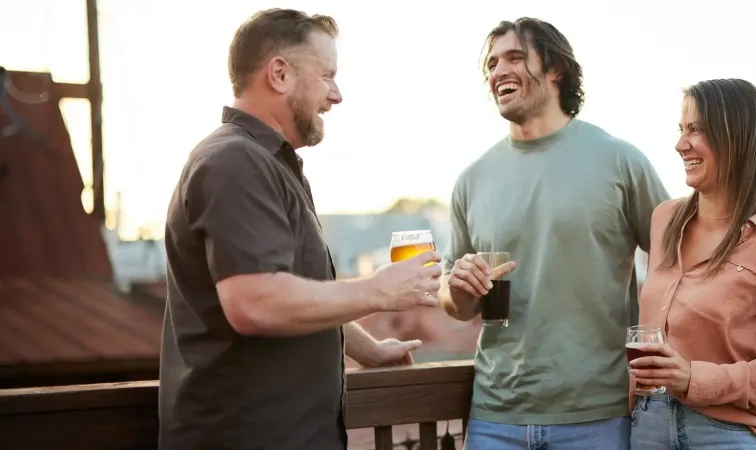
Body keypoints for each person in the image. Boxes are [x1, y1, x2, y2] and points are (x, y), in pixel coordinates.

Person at [158, 9, 442, 450]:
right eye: (327, 75)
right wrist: (377, 291)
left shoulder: (266, 163)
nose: (337, 95)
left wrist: (366, 348)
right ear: (279, 74)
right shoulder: (233, 162)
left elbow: (295, 292)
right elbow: (255, 304)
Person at [440, 17, 670, 449]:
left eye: (514, 58)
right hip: (494, 417)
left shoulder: (619, 161)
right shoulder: (472, 179)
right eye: (491, 64)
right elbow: (455, 305)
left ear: (555, 69)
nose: (497, 72)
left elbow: (678, 262)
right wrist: (457, 286)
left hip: (599, 416)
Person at [627, 78, 756, 450]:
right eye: (681, 130)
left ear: (736, 139)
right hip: (648, 425)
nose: (680, 144)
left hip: (727, 435)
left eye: (696, 130)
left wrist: (694, 378)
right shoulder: (664, 220)